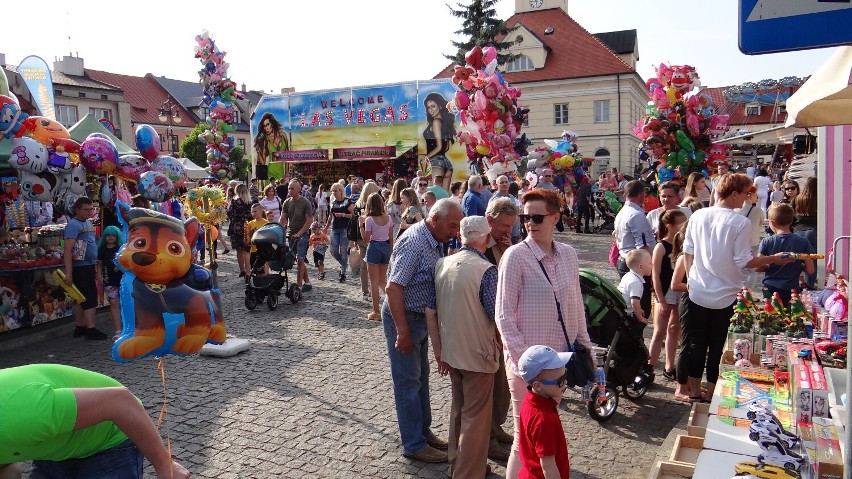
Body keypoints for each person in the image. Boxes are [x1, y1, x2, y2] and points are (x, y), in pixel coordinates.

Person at [496, 189, 592, 478]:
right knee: (522, 436)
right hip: (528, 366)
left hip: (557, 364)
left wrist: (585, 346)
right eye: (525, 218)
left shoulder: (568, 254)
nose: (529, 223)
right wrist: (527, 367)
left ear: (555, 217)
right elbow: (503, 316)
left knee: (545, 435)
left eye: (537, 217)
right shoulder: (515, 256)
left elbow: (576, 304)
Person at [680, 173, 794, 402]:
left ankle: (694, 391)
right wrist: (773, 259)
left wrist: (692, 277)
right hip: (725, 293)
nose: (747, 198)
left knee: (695, 344)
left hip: (698, 291)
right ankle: (710, 392)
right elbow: (744, 261)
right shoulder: (739, 221)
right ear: (734, 194)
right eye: (745, 193)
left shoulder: (699, 214)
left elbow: (687, 251)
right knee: (716, 345)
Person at [0, 364, 190, 479]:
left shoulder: (22, 412)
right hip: (54, 447)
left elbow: (121, 402)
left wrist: (164, 466)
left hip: (107, 439)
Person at [383, 198, 463, 463]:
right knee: (408, 382)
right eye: (452, 226)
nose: (455, 231)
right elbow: (393, 288)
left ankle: (423, 432)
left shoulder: (434, 238)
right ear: (436, 219)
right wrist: (402, 331)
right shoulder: (416, 242)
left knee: (420, 378)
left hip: (419, 318)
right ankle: (413, 444)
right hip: (405, 317)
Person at [425, 216, 499, 478]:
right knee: (475, 417)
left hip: (452, 350)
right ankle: (467, 472)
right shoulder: (486, 270)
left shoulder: (443, 264)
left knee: (459, 408)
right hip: (477, 352)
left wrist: (438, 350)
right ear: (486, 239)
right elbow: (496, 315)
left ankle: (457, 464)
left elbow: (431, 311)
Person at [482, 198, 518, 458]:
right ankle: (489, 437)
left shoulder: (505, 243)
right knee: (490, 384)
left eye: (511, 226)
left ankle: (497, 426)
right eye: (504, 225)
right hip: (485, 321)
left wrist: (509, 253)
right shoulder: (479, 243)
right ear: (489, 220)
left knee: (503, 383)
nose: (508, 230)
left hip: (502, 320)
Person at [516, 345, 573, 479]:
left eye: (565, 375)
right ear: (538, 386)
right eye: (560, 381)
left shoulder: (530, 399)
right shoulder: (544, 421)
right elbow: (548, 466)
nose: (566, 384)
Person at [647, 210, 687, 394]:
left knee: (674, 329)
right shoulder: (661, 246)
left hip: (678, 289)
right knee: (659, 331)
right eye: (680, 224)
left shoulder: (683, 244)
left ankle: (669, 367)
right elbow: (654, 274)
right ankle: (649, 367)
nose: (683, 227)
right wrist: (660, 299)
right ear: (670, 225)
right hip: (664, 291)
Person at [63, 197, 107, 340]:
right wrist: (68, 273)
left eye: (91, 209)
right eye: (86, 210)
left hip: (88, 265)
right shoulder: (73, 225)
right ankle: (90, 328)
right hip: (81, 267)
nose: (90, 212)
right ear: (77, 210)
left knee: (80, 297)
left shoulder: (87, 223)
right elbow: (68, 249)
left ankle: (80, 326)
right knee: (88, 298)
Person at [757, 203, 816, 305]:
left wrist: (770, 266)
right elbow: (810, 270)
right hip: (790, 288)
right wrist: (799, 266)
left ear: (772, 223)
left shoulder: (767, 241)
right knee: (789, 318)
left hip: (770, 287)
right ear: (792, 221)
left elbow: (757, 267)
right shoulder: (803, 241)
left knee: (772, 315)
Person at [614, 180, 655, 319]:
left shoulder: (622, 212)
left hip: (624, 260)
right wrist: (649, 270)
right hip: (636, 264)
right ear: (642, 195)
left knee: (631, 304)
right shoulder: (636, 215)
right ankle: (635, 338)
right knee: (640, 308)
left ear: (625, 194)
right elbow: (642, 246)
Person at [361, 192, 393, 321]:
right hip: (386, 247)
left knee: (373, 281)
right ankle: (392, 304)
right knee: (382, 280)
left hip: (374, 247)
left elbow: (366, 239)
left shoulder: (369, 219)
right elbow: (391, 238)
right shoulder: (388, 218)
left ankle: (376, 311)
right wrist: (390, 252)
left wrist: (360, 225)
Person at [280, 179, 314, 292]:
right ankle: (307, 282)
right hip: (291, 234)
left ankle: (298, 286)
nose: (290, 190)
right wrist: (278, 230)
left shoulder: (305, 202)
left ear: (299, 189)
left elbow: (309, 221)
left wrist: (299, 233)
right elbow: (283, 219)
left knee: (300, 259)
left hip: (303, 234)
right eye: (289, 188)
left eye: (292, 188)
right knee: (297, 260)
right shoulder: (287, 202)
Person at [423, 92, 457, 192]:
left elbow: (439, 147)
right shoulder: (446, 124)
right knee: (444, 199)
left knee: (431, 197)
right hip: (447, 164)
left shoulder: (436, 122)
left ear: (440, 106)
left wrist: (426, 158)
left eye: (433, 106)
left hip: (435, 163)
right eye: (428, 107)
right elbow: (446, 147)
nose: (430, 110)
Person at [96, 225, 125, 341]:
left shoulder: (121, 248)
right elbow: (99, 264)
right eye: (108, 235)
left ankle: (128, 329)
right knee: (113, 303)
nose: (110, 237)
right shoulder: (102, 250)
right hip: (109, 280)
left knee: (125, 303)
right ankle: (118, 331)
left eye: (113, 235)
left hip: (122, 279)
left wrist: (121, 266)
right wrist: (99, 275)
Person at [353, 182, 380, 302]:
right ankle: (372, 291)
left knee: (365, 266)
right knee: (373, 265)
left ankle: (366, 291)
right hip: (372, 235)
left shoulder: (358, 204)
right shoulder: (374, 204)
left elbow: (355, 223)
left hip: (361, 235)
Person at [735, 187, 764, 290]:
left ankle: (739, 291)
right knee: (751, 270)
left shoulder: (735, 210)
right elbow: (761, 223)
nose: (757, 199)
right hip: (753, 242)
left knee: (738, 267)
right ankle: (748, 293)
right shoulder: (757, 210)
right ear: (750, 196)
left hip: (737, 243)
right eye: (756, 196)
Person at [619, 249, 653, 336]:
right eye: (650, 263)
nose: (652, 265)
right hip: (626, 314)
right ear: (640, 267)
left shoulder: (628, 276)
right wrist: (641, 318)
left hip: (621, 310)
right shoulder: (636, 282)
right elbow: (634, 302)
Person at [325, 183, 354, 283]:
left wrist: (343, 215)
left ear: (341, 191)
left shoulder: (347, 202)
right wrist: (325, 228)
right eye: (332, 191)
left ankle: (343, 273)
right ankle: (343, 264)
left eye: (335, 191)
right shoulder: (333, 202)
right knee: (333, 250)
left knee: (343, 251)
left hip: (345, 229)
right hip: (334, 228)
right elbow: (330, 216)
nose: (334, 193)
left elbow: (354, 215)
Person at [793, 177, 817, 288]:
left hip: (797, 231)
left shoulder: (797, 199)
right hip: (812, 231)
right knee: (812, 260)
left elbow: (791, 215)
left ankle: (795, 284)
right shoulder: (818, 199)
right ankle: (809, 285)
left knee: (797, 259)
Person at [227, 184, 253, 278]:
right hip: (247, 227)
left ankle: (242, 270)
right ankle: (248, 271)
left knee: (239, 250)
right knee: (247, 250)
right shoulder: (250, 202)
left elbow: (229, 213)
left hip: (236, 227)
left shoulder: (234, 201)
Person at [253, 112, 289, 180]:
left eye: (267, 124)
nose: (266, 128)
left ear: (272, 124)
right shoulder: (265, 140)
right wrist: (258, 150)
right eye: (264, 126)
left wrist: (286, 174)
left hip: (282, 173)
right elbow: (263, 162)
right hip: (270, 173)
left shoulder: (283, 135)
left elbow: (288, 156)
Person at [490, 175, 521, 244]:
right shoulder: (495, 199)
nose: (504, 184)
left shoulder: (512, 197)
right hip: (504, 236)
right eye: (501, 182)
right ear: (497, 185)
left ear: (509, 183)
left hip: (515, 234)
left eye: (506, 182)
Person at [246, 203, 270, 274]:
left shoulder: (266, 223)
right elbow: (248, 239)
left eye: (255, 211)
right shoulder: (250, 223)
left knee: (262, 268)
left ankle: (263, 281)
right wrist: (250, 235)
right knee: (254, 268)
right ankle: (257, 282)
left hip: (262, 249)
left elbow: (268, 236)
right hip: (253, 249)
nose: (253, 213)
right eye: (252, 212)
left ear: (261, 211)